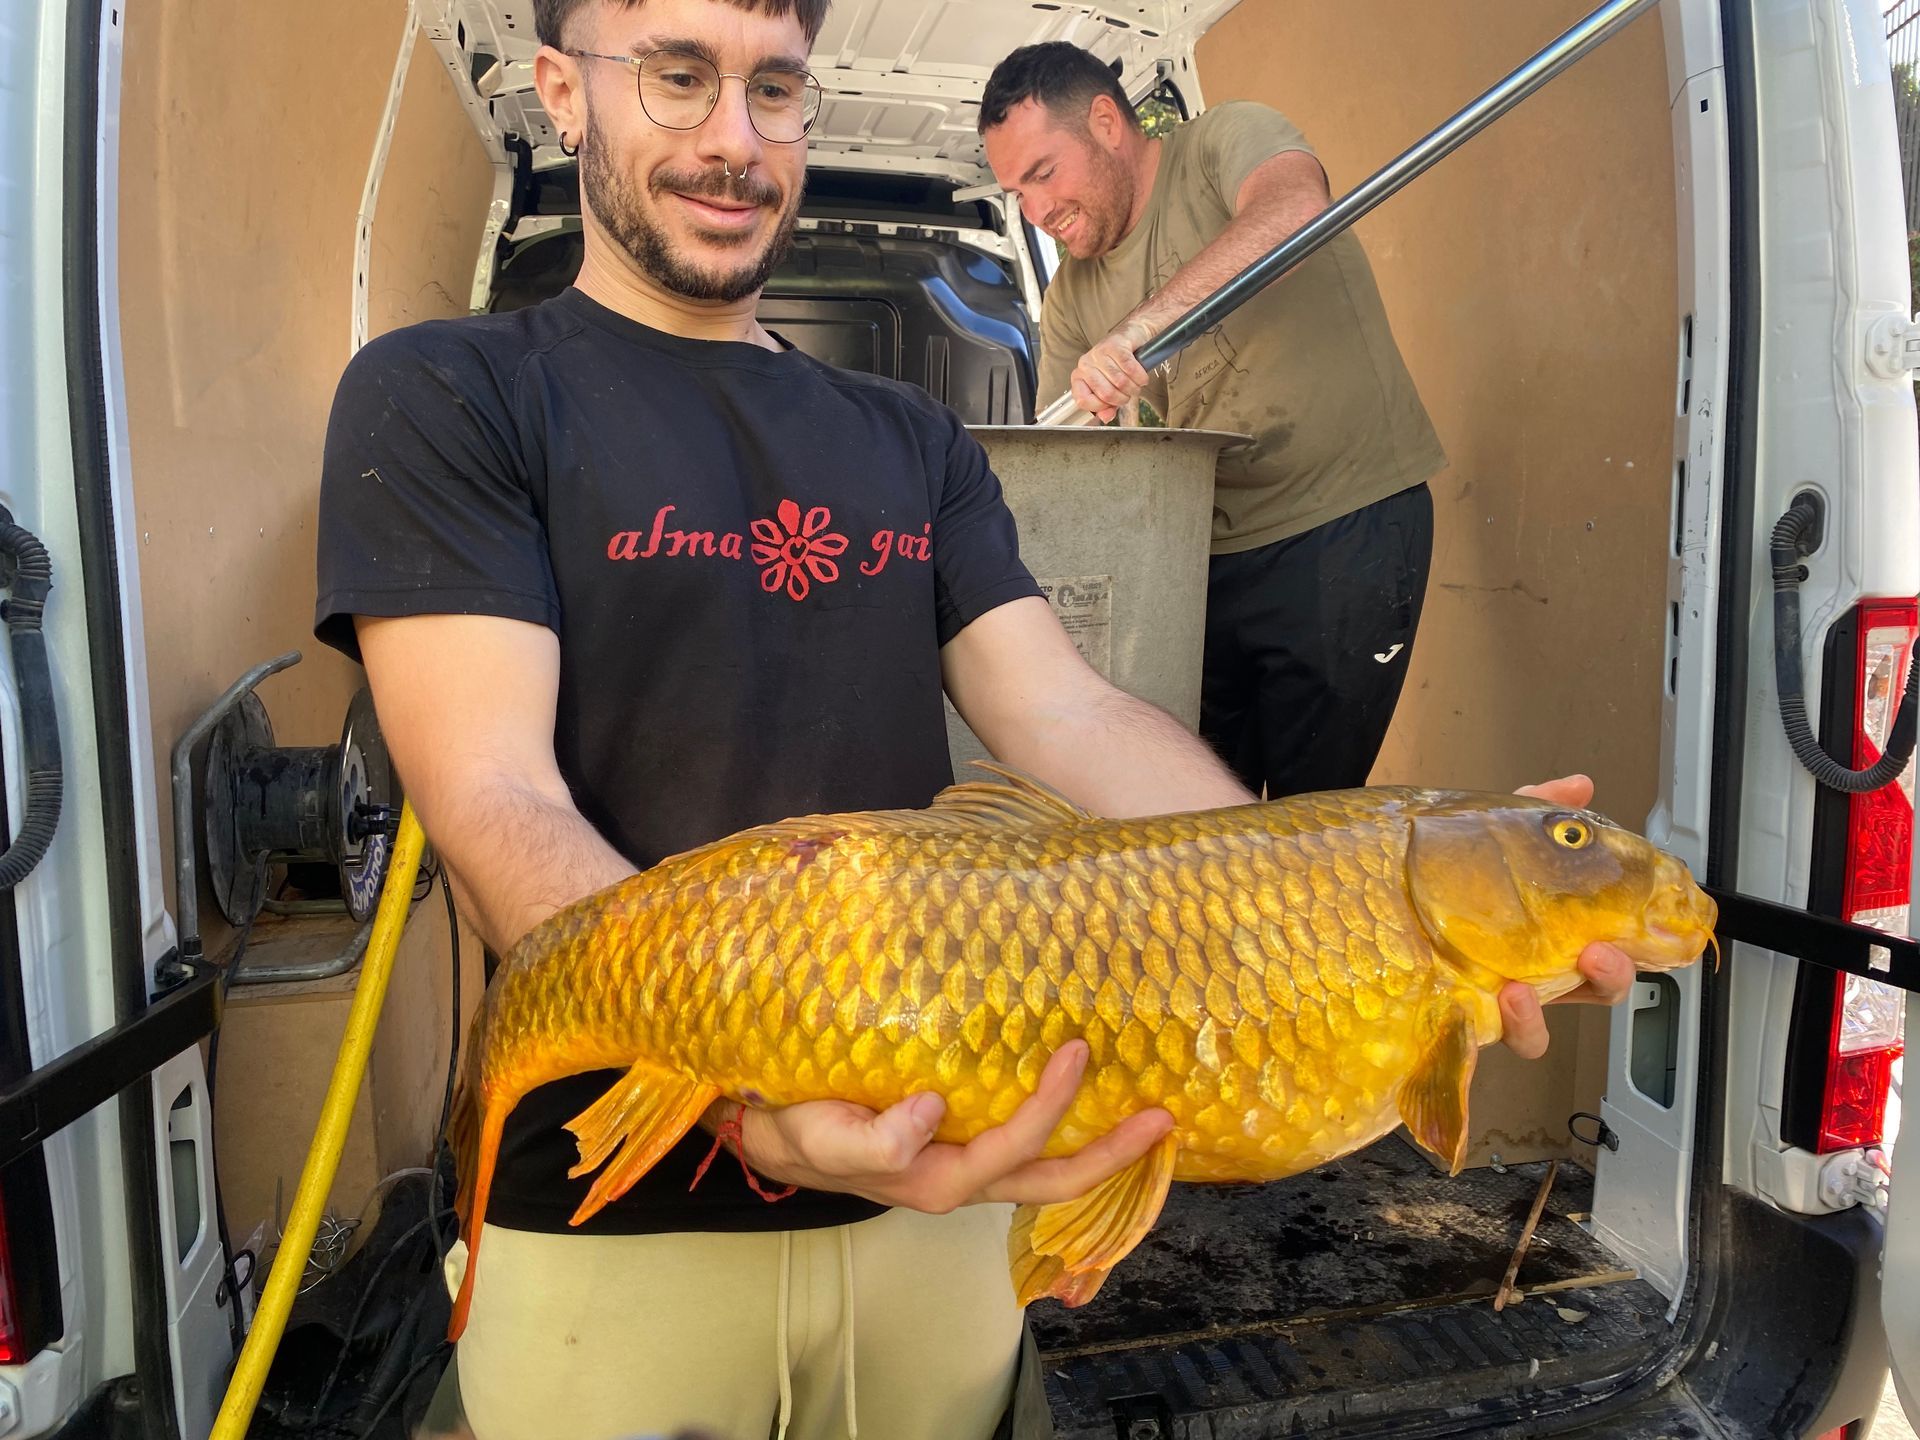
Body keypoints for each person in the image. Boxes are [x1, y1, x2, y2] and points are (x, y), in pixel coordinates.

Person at [312, 1, 1632, 1435]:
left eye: (775, 89)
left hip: (944, 1191)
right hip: (611, 1213)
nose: (735, 141)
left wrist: (1348, 894)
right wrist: (743, 1100)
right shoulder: (447, 394)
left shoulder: (914, 437)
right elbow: (498, 798)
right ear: (564, 94)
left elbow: (1064, 712)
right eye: (678, 78)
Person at [980, 44, 1447, 802]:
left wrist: (1138, 332)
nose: (1037, 212)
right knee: (1194, 807)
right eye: (1016, 193)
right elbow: (1069, 463)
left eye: (1043, 173)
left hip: (1342, 526)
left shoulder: (1221, 141)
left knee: (1307, 812)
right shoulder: (1068, 296)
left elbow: (1295, 211)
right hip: (1197, 560)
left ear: (1106, 123)